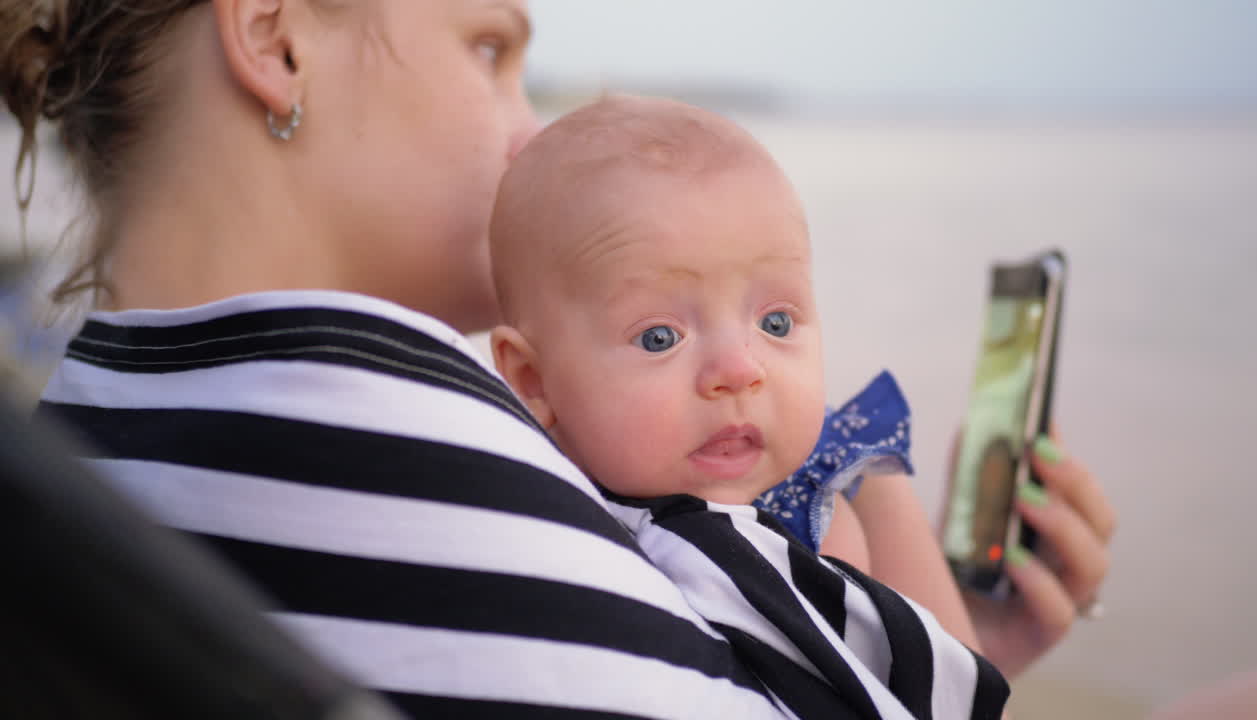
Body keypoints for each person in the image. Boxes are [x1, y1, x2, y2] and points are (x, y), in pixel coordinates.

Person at [1, 0, 1112, 714]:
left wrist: (913, 636)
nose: (529, 131)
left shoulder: (105, 420)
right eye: (489, 50)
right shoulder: (391, 434)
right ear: (278, 39)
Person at [487, 94, 1007, 716]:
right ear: (534, 379)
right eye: (660, 337)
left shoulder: (825, 497)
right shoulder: (543, 534)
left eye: (778, 323)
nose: (740, 370)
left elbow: (956, 683)